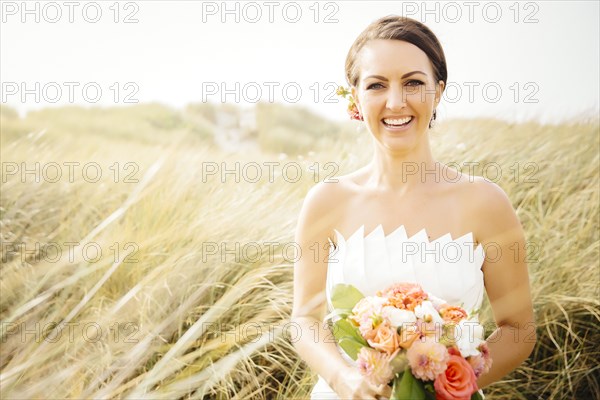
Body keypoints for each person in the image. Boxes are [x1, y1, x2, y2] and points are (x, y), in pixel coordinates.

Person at [290, 15, 537, 400]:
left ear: (438, 92)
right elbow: (305, 320)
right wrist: (344, 379)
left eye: (413, 83)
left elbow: (517, 330)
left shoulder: (486, 203)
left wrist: (442, 388)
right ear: (355, 96)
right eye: (376, 85)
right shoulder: (327, 201)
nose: (395, 102)